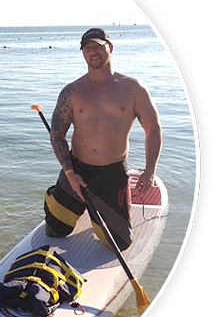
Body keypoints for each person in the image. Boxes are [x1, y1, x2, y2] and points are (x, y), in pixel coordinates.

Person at [44, 28, 162, 250]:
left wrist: (150, 170)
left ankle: (99, 212)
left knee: (119, 243)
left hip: (112, 174)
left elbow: (153, 128)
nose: (92, 52)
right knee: (54, 232)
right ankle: (60, 199)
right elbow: (57, 134)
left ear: (110, 48)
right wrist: (70, 174)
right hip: (77, 171)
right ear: (83, 54)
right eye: (87, 48)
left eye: (98, 46)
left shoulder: (133, 88)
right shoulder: (72, 91)